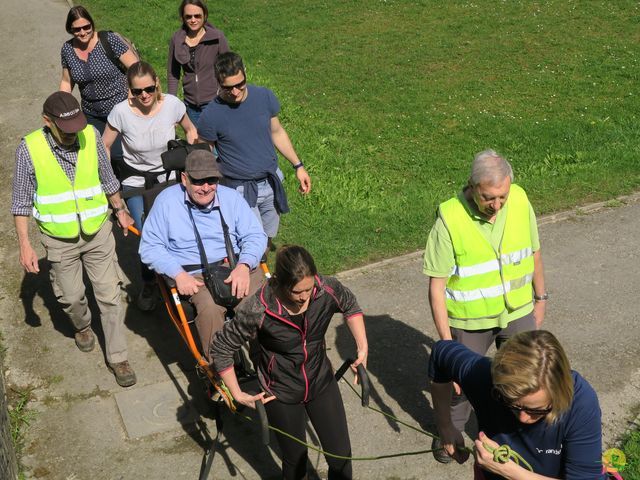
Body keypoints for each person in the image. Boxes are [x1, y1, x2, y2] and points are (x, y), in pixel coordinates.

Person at [423, 149, 547, 462]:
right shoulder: (449, 219)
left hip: (517, 312)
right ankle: (450, 434)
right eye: (488, 197)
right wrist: (447, 345)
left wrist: (540, 298)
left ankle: (518, 435)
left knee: (526, 378)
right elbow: (436, 288)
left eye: (502, 197)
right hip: (469, 320)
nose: (496, 205)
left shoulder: (519, 199)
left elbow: (534, 251)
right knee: (461, 386)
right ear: (473, 186)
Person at [11, 91, 137, 387]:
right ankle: (81, 326)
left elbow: (107, 178)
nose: (73, 135)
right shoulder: (28, 149)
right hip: (59, 240)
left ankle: (118, 357)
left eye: (76, 128)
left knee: (109, 296)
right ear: (47, 122)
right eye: (65, 130)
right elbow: (20, 202)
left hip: (98, 232)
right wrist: (25, 245)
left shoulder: (90, 135)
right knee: (71, 297)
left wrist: (119, 209)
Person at [211, 245, 368, 480]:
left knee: (341, 455)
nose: (305, 296)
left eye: (309, 288)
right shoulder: (258, 308)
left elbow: (350, 304)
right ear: (280, 283)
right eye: (297, 292)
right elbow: (222, 347)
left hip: (320, 380)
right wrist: (237, 393)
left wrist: (362, 347)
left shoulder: (326, 290)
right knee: (296, 461)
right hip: (280, 391)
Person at [139, 150, 267, 359]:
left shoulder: (231, 198)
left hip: (234, 264)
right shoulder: (166, 202)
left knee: (259, 305)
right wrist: (177, 274)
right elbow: (150, 246)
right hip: (195, 275)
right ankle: (219, 369)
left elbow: (255, 234)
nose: (206, 188)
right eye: (198, 181)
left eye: (211, 180)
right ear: (184, 178)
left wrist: (244, 265)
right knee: (209, 310)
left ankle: (267, 361)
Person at [429, 330, 604, 479]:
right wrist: (445, 426)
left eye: (536, 410)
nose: (523, 418)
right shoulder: (483, 376)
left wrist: (510, 472)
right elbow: (441, 353)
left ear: (559, 394)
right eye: (511, 404)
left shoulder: (580, 403)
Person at [102, 61, 198, 311]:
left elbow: (189, 129)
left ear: (157, 83)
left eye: (148, 89)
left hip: (168, 177)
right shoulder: (121, 112)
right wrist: (106, 179)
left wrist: (193, 159)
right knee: (149, 235)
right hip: (135, 181)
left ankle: (180, 275)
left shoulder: (173, 106)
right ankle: (149, 283)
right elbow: (104, 146)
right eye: (136, 91)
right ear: (129, 91)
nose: (144, 95)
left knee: (176, 230)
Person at [197, 52, 312, 255]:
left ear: (245, 74)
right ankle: (256, 278)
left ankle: (261, 270)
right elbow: (204, 152)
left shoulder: (264, 97)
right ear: (218, 82)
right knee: (252, 240)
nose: (234, 92)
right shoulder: (211, 114)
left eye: (239, 84)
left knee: (267, 236)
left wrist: (298, 166)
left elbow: (277, 132)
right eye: (227, 87)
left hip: (270, 181)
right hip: (240, 189)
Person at [59, 5, 138, 175]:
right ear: (70, 29)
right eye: (77, 29)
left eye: (86, 27)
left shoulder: (108, 40)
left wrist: (132, 96)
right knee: (97, 155)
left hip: (119, 108)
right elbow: (67, 81)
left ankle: (129, 190)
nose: (82, 32)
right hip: (91, 113)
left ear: (92, 24)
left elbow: (136, 68)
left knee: (118, 154)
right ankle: (109, 193)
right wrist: (60, 106)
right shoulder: (67, 49)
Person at [167, 0, 230, 125]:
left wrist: (225, 95)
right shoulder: (177, 40)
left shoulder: (217, 37)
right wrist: (171, 104)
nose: (193, 20)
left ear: (205, 15)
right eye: (188, 17)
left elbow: (228, 68)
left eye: (197, 16)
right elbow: (173, 74)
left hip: (215, 102)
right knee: (197, 142)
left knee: (217, 142)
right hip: (191, 105)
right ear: (182, 18)